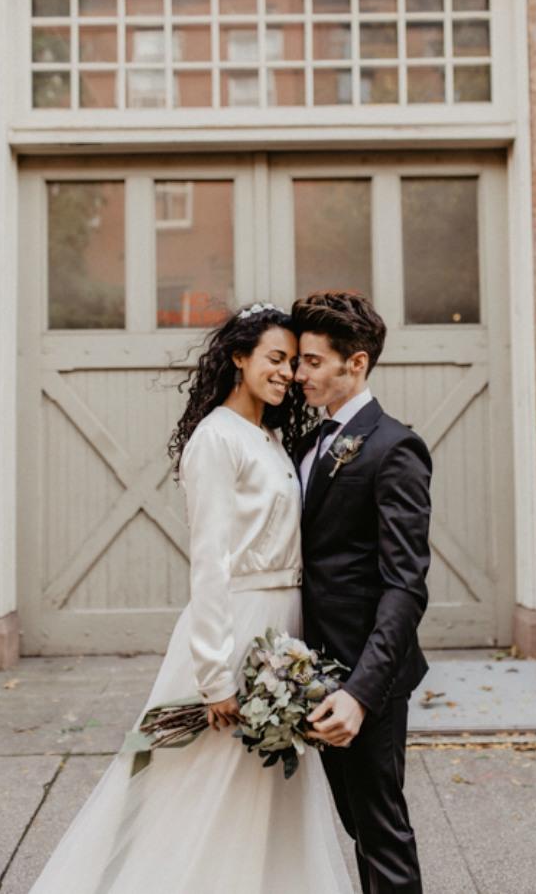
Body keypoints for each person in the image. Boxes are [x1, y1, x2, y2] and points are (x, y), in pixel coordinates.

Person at [28, 303, 355, 894]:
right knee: (198, 785)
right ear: (238, 358)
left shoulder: (271, 436)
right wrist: (215, 678)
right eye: (274, 359)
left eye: (291, 362)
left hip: (283, 628)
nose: (286, 373)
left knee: (263, 791)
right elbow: (210, 563)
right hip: (234, 631)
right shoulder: (215, 439)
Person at [292, 291, 432, 894]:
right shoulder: (308, 443)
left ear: (358, 363)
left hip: (365, 675)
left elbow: (406, 585)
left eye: (313, 362)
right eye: (297, 361)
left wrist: (361, 694)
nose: (299, 374)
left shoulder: (393, 447)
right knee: (353, 823)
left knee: (380, 831)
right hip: (314, 669)